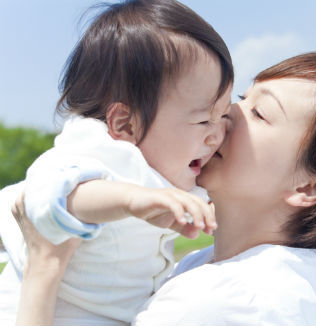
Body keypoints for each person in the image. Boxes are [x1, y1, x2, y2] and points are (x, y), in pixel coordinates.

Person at [11, 52, 316, 326]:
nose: (225, 112)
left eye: (259, 113)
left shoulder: (225, 303)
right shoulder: (289, 261)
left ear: (309, 186)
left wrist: (44, 266)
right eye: (243, 96)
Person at [0, 0, 233, 325]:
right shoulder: (100, 151)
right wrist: (131, 199)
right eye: (202, 121)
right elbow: (50, 197)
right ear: (125, 124)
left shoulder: (170, 170)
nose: (217, 135)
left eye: (224, 116)